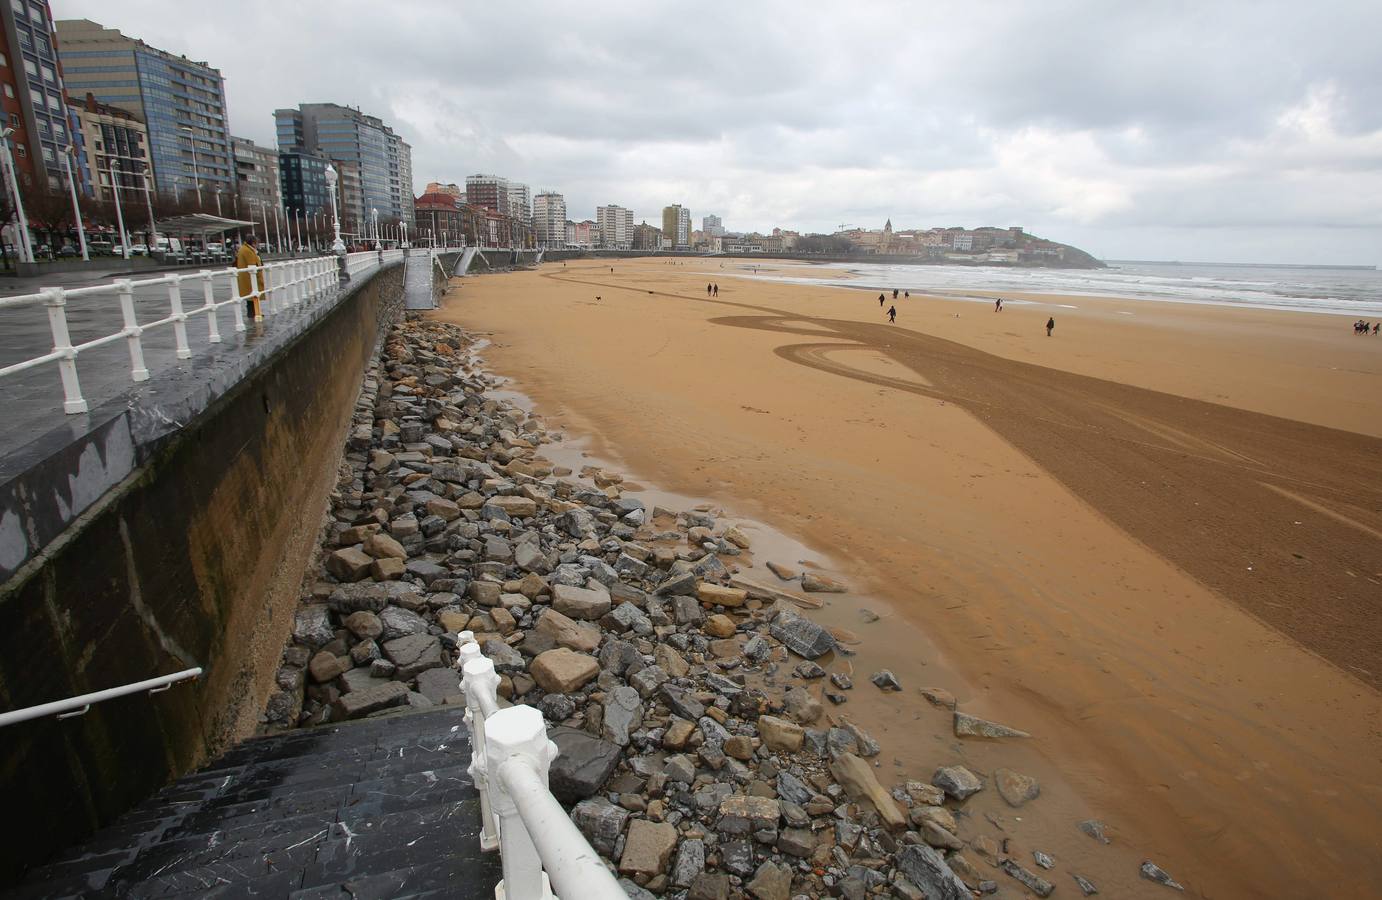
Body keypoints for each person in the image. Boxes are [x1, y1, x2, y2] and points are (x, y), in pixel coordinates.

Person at [235, 234, 266, 321]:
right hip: (249, 277)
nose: (258, 245)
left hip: (248, 276)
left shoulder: (246, 249)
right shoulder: (247, 251)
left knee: (252, 296)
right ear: (253, 243)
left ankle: (255, 313)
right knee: (252, 296)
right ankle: (253, 314)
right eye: (257, 243)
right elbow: (252, 263)